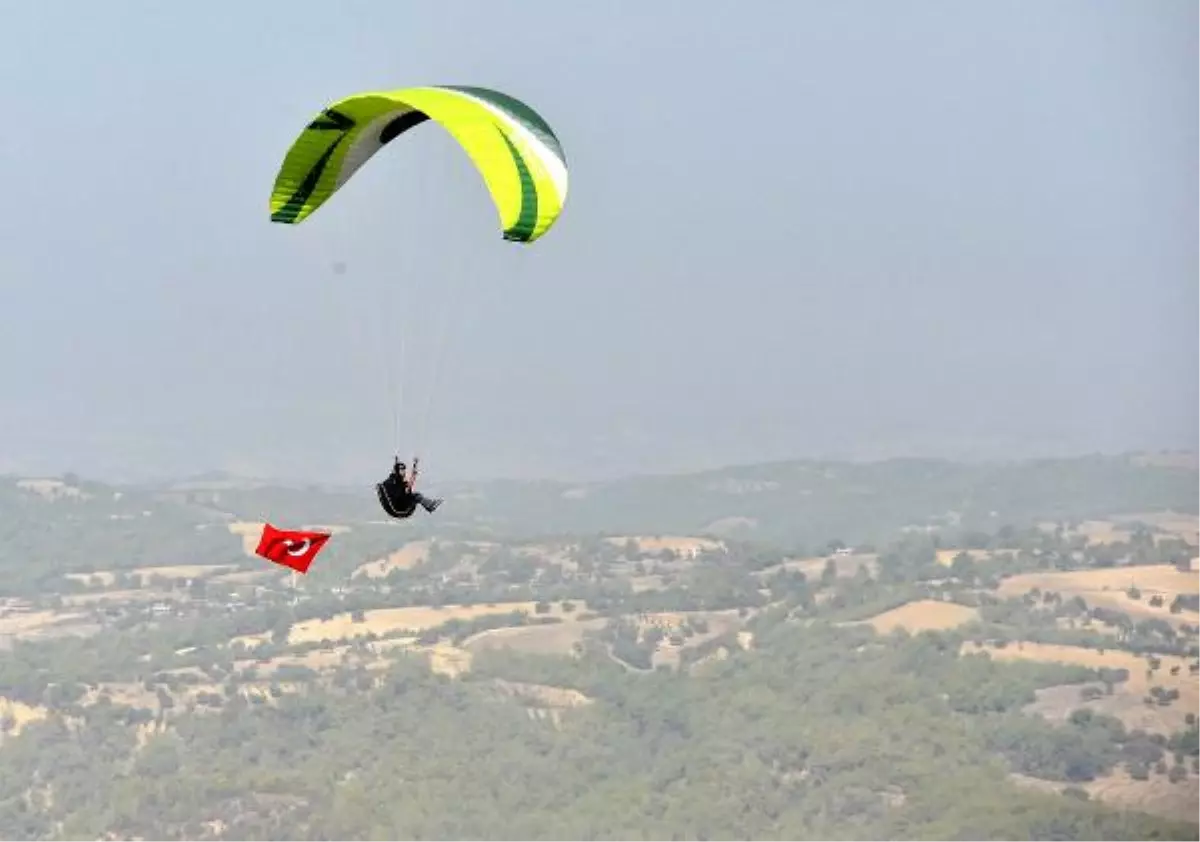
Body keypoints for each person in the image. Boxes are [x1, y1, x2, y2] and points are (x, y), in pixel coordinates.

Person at [377, 456, 442, 519]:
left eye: (404, 469)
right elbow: (407, 487)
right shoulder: (395, 483)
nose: (404, 471)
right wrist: (414, 468)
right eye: (402, 470)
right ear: (398, 471)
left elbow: (395, 472)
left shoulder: (393, 480)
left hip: (397, 505)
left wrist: (413, 465)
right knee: (417, 495)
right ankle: (430, 506)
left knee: (413, 494)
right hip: (400, 507)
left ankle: (430, 505)